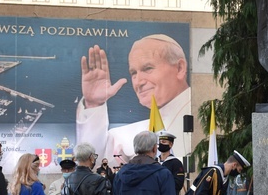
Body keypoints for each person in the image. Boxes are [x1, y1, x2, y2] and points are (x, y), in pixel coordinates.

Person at [76, 34, 191, 162]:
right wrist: (93, 104)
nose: (138, 82)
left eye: (148, 68)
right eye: (134, 73)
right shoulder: (122, 136)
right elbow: (92, 162)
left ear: (180, 68)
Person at [156, 130, 185, 195]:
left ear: (171, 144)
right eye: (160, 142)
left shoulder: (176, 163)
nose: (161, 144)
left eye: (164, 142)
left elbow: (178, 184)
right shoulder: (154, 161)